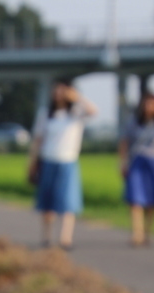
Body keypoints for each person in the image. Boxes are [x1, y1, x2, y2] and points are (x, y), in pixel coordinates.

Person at [28, 78, 97, 250]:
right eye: (56, 91)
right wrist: (32, 162)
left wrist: (77, 97)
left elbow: (93, 111)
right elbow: (38, 140)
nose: (58, 94)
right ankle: (47, 238)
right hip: (48, 160)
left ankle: (65, 238)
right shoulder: (46, 114)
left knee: (68, 202)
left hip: (68, 161)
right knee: (48, 203)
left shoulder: (76, 113)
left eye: (62, 90)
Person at [119, 90, 154, 246]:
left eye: (152, 103)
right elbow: (124, 143)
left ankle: (147, 233)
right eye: (146, 103)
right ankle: (137, 233)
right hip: (137, 161)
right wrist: (123, 162)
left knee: (152, 201)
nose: (149, 106)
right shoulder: (133, 122)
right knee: (135, 199)